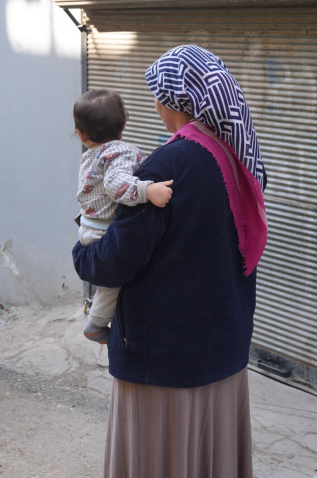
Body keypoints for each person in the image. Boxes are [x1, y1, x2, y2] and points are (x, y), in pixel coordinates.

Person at [72, 45, 267, 478]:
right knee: (208, 456)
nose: (155, 104)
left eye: (157, 94)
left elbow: (113, 262)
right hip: (221, 345)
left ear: (175, 100)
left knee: (161, 456)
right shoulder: (234, 156)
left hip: (165, 357)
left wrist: (81, 252)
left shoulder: (167, 164)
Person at [73, 88, 173, 344]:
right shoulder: (120, 151)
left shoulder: (90, 154)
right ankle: (95, 324)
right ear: (125, 124)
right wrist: (147, 190)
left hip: (88, 225)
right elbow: (115, 186)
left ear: (81, 135)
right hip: (102, 230)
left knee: (109, 282)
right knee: (113, 283)